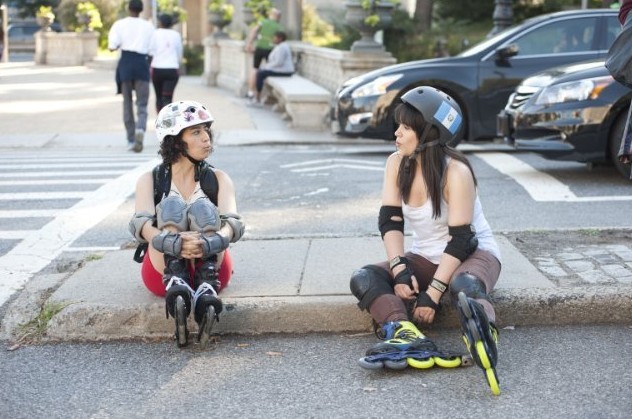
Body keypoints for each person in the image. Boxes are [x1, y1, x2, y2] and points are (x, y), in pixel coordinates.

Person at [349, 86, 502, 395]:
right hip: (425, 256)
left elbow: (462, 240)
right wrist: (399, 270)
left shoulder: (456, 172)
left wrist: (433, 294)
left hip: (472, 256)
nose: (397, 133)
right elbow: (390, 220)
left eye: (406, 128)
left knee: (465, 289)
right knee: (364, 278)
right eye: (399, 126)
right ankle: (403, 331)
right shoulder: (396, 163)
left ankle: (483, 332)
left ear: (429, 133)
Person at [129, 100, 245, 349]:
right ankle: (177, 282)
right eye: (196, 132)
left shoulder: (218, 179)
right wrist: (173, 242)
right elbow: (140, 225)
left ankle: (205, 287)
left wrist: (208, 242)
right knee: (171, 206)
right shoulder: (150, 180)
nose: (206, 139)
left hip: (212, 265)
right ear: (175, 140)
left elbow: (233, 224)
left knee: (203, 209)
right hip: (161, 271)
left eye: (206, 131)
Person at [108, 0, 154, 153]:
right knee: (142, 104)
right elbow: (152, 50)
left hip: (126, 64)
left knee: (127, 103)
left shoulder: (119, 24)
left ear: (128, 8)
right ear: (141, 10)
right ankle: (140, 129)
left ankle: (130, 139)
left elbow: (112, 47)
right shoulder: (148, 26)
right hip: (141, 64)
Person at [149, 13, 183, 113]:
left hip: (157, 69)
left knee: (159, 96)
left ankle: (160, 121)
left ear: (161, 23)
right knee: (168, 98)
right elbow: (179, 53)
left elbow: (150, 51)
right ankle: (169, 123)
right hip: (172, 69)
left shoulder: (155, 34)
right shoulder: (176, 35)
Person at [244, 8, 282, 99]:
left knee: (254, 69)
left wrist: (249, 44)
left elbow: (254, 31)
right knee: (270, 70)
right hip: (270, 50)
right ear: (278, 17)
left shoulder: (263, 22)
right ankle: (267, 95)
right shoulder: (278, 26)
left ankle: (250, 92)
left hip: (259, 47)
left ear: (271, 15)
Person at [250, 31, 294, 105]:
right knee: (261, 72)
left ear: (280, 38)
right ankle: (258, 96)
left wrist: (267, 67)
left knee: (260, 73)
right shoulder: (280, 46)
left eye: (275, 38)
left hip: (285, 71)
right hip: (281, 70)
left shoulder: (282, 48)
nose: (273, 39)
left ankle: (257, 98)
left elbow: (278, 62)